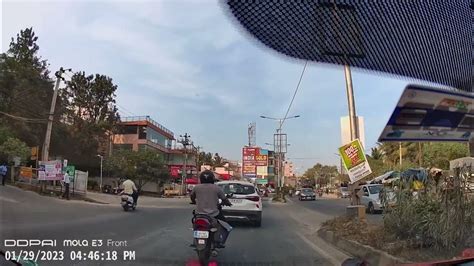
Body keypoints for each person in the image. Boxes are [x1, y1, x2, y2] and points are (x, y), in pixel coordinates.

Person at [190, 170, 232, 248]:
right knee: (226, 227)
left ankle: (195, 240)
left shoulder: (196, 187)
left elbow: (192, 196)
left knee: (195, 224)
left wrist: (193, 201)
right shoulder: (216, 188)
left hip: (199, 214)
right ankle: (219, 242)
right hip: (214, 214)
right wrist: (228, 203)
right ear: (212, 179)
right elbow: (224, 198)